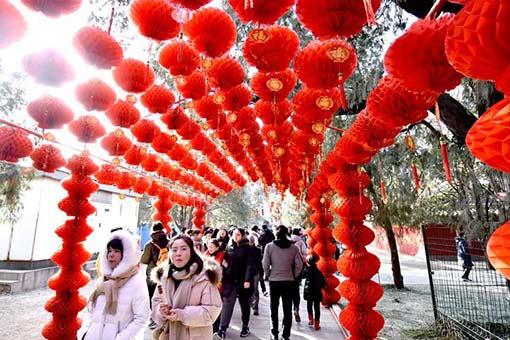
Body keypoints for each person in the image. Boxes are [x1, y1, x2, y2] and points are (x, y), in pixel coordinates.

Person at [78, 229, 150, 340]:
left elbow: (142, 319)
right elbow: (91, 312)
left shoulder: (136, 282)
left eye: (116, 251)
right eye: (109, 251)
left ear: (125, 255)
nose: (111, 255)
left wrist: (121, 338)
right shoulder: (102, 280)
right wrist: (83, 334)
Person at [151, 234, 222, 340]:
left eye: (183, 249)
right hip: (169, 334)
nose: (178, 253)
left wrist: (181, 314)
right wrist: (161, 312)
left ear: (191, 252)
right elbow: (156, 302)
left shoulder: (204, 278)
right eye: (174, 250)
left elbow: (210, 312)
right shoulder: (165, 277)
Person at [263, 225, 304, 340]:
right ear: (287, 233)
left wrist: (268, 274)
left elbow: (265, 264)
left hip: (275, 281)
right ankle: (286, 335)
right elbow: (300, 265)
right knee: (287, 309)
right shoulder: (294, 248)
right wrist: (294, 275)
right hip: (289, 281)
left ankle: (274, 333)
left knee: (274, 308)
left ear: (276, 234)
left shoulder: (269, 247)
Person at [215, 227, 256, 339]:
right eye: (234, 234)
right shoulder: (229, 247)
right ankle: (222, 328)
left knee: (244, 304)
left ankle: (245, 326)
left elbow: (250, 264)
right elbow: (225, 262)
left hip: (243, 281)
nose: (235, 236)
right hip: (230, 280)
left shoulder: (247, 248)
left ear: (242, 236)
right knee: (227, 303)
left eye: (238, 234)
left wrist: (247, 280)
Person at [140, 222, 169, 307]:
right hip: (166, 272)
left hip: (152, 274)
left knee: (151, 295)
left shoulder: (149, 244)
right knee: (164, 296)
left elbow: (144, 260)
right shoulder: (169, 242)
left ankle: (153, 314)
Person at [204, 239, 227, 333]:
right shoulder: (206, 254)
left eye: (212, 247)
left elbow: (226, 270)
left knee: (217, 308)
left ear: (217, 247)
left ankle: (216, 329)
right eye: (209, 247)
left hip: (219, 286)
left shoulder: (223, 255)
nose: (210, 249)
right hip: (207, 286)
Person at [302, 255, 326, 330]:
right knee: (317, 307)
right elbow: (323, 283)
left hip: (308, 291)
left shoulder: (306, 271)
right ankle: (316, 324)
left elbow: (301, 276)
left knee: (309, 305)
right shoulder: (318, 272)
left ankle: (310, 319)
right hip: (316, 292)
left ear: (307, 263)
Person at [290, 227, 307, 322]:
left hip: (288, 270)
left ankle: (287, 311)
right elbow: (305, 252)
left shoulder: (288, 240)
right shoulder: (300, 242)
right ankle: (296, 308)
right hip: (298, 268)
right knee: (296, 291)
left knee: (288, 292)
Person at [247, 234, 263, 316]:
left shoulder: (258, 250)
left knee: (255, 290)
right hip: (247, 273)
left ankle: (255, 307)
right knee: (249, 290)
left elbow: (259, 262)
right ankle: (251, 304)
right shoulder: (245, 249)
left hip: (255, 272)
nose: (251, 242)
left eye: (252, 240)